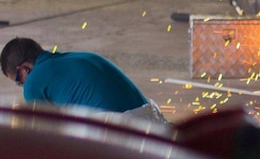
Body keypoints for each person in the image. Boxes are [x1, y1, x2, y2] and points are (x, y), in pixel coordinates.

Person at [0, 37, 169, 125]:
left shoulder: (34, 82)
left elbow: (43, 134)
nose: (23, 86)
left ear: (23, 69)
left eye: (19, 81)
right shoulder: (84, 57)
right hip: (153, 124)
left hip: (120, 135)